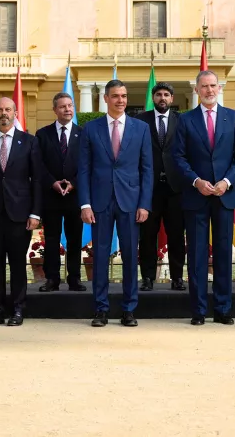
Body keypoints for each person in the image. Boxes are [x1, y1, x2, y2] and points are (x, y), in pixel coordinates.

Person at [171, 70, 235, 326]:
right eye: (204, 86)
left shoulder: (234, 118)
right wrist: (196, 181)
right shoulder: (185, 120)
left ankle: (223, 309)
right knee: (197, 255)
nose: (209, 90)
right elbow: (178, 157)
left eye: (213, 85)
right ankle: (199, 310)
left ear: (219, 87)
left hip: (224, 196)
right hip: (196, 197)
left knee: (225, 253)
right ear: (197, 90)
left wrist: (227, 182)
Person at [77, 80, 152, 327]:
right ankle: (101, 309)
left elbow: (147, 169)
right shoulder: (91, 129)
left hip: (131, 202)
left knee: (130, 256)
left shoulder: (140, 129)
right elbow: (84, 169)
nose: (121, 100)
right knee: (99, 256)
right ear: (106, 99)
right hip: (100, 202)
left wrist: (144, 204)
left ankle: (129, 309)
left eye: (124, 96)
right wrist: (84, 204)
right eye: (115, 96)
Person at [0, 97, 45, 327]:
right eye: (0, 110)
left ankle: (18, 309)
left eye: (8, 110)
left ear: (15, 113)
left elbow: (37, 181)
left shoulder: (29, 142)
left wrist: (35, 213)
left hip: (19, 215)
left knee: (16, 264)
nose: (4, 113)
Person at [35, 92, 86, 292]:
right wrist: (52, 183)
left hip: (75, 196)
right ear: (55, 109)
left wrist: (73, 183)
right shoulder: (43, 134)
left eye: (70, 106)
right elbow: (38, 164)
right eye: (63, 106)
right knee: (52, 239)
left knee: (75, 240)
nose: (67, 109)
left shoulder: (83, 134)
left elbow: (86, 164)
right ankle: (52, 279)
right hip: (52, 196)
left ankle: (74, 279)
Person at [137, 82, 186, 291]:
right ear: (153, 97)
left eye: (166, 94)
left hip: (176, 188)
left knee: (176, 235)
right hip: (149, 188)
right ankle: (147, 278)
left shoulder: (182, 121)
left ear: (172, 99)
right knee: (147, 236)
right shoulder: (140, 121)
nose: (162, 98)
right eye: (158, 95)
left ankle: (177, 277)